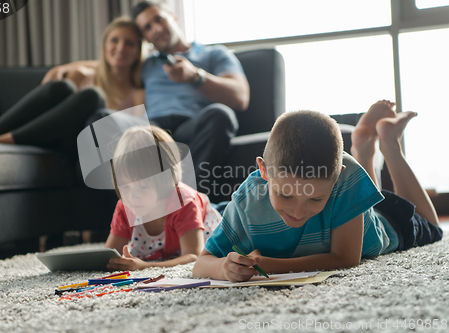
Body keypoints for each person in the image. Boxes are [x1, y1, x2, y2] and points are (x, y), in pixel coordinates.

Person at [192, 100, 443, 282]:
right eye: (286, 194)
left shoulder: (347, 177)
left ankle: (389, 143)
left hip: (385, 223)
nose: (299, 211)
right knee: (362, 199)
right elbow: (201, 263)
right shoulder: (246, 202)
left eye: (315, 198)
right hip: (353, 210)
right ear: (264, 170)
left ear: (338, 177)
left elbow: (345, 258)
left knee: (432, 227)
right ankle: (364, 146)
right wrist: (224, 268)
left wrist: (271, 265)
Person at [0, 17, 145, 160]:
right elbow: (50, 93)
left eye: (129, 43)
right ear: (104, 46)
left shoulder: (137, 92)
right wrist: (62, 69)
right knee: (62, 86)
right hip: (49, 135)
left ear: (138, 52)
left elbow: (135, 135)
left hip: (81, 147)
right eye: (114, 40)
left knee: (93, 96)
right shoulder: (83, 75)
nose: (120, 48)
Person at [130, 2, 250, 190]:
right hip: (155, 129)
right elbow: (103, 65)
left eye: (159, 19)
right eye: (147, 28)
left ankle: (191, 202)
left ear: (173, 17)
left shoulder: (213, 54)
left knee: (220, 114)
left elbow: (240, 97)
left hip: (194, 126)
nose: (157, 29)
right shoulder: (144, 65)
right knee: (139, 133)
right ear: (145, 38)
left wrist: (195, 76)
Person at [104, 125, 221, 271]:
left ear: (165, 180)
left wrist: (146, 266)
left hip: (210, 217)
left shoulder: (184, 202)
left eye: (143, 186)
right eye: (125, 187)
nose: (132, 196)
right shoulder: (124, 207)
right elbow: (108, 256)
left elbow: (193, 256)